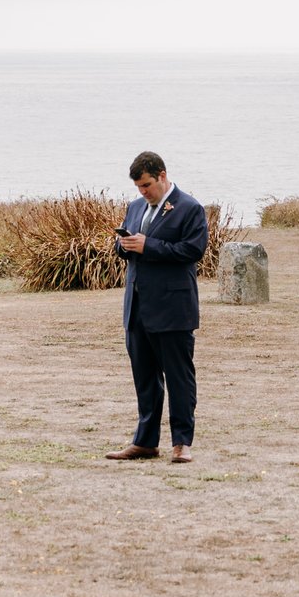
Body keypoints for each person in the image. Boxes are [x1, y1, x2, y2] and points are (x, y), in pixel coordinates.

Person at [105, 151, 207, 463]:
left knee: (179, 378)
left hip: (173, 308)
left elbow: (193, 250)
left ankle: (181, 443)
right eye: (138, 187)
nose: (143, 192)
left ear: (162, 175)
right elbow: (123, 248)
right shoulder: (135, 207)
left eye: (147, 185)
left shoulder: (190, 208)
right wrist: (123, 245)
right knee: (145, 378)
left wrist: (148, 246)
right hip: (137, 308)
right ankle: (145, 441)